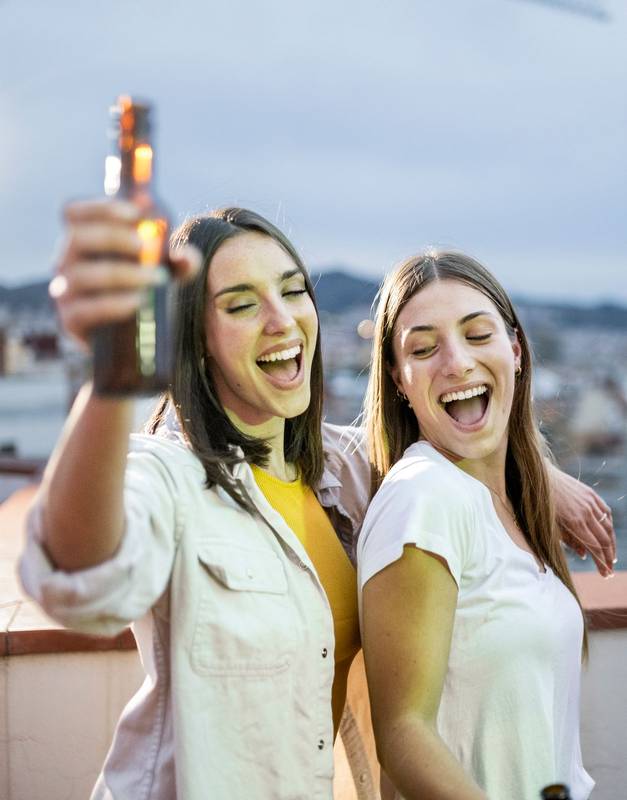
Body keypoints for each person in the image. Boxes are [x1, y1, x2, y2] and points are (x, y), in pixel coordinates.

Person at [19, 203, 613, 800]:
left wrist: (537, 476)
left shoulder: (342, 469)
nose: (281, 320)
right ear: (195, 343)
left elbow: (444, 433)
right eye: (242, 305)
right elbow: (81, 570)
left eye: (292, 291)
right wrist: (112, 372)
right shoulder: (171, 476)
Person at [357, 250, 602, 800]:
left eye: (476, 335)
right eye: (424, 348)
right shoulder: (423, 496)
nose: (457, 362)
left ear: (515, 350)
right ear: (398, 379)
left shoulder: (506, 503)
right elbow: (404, 734)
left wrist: (540, 475)